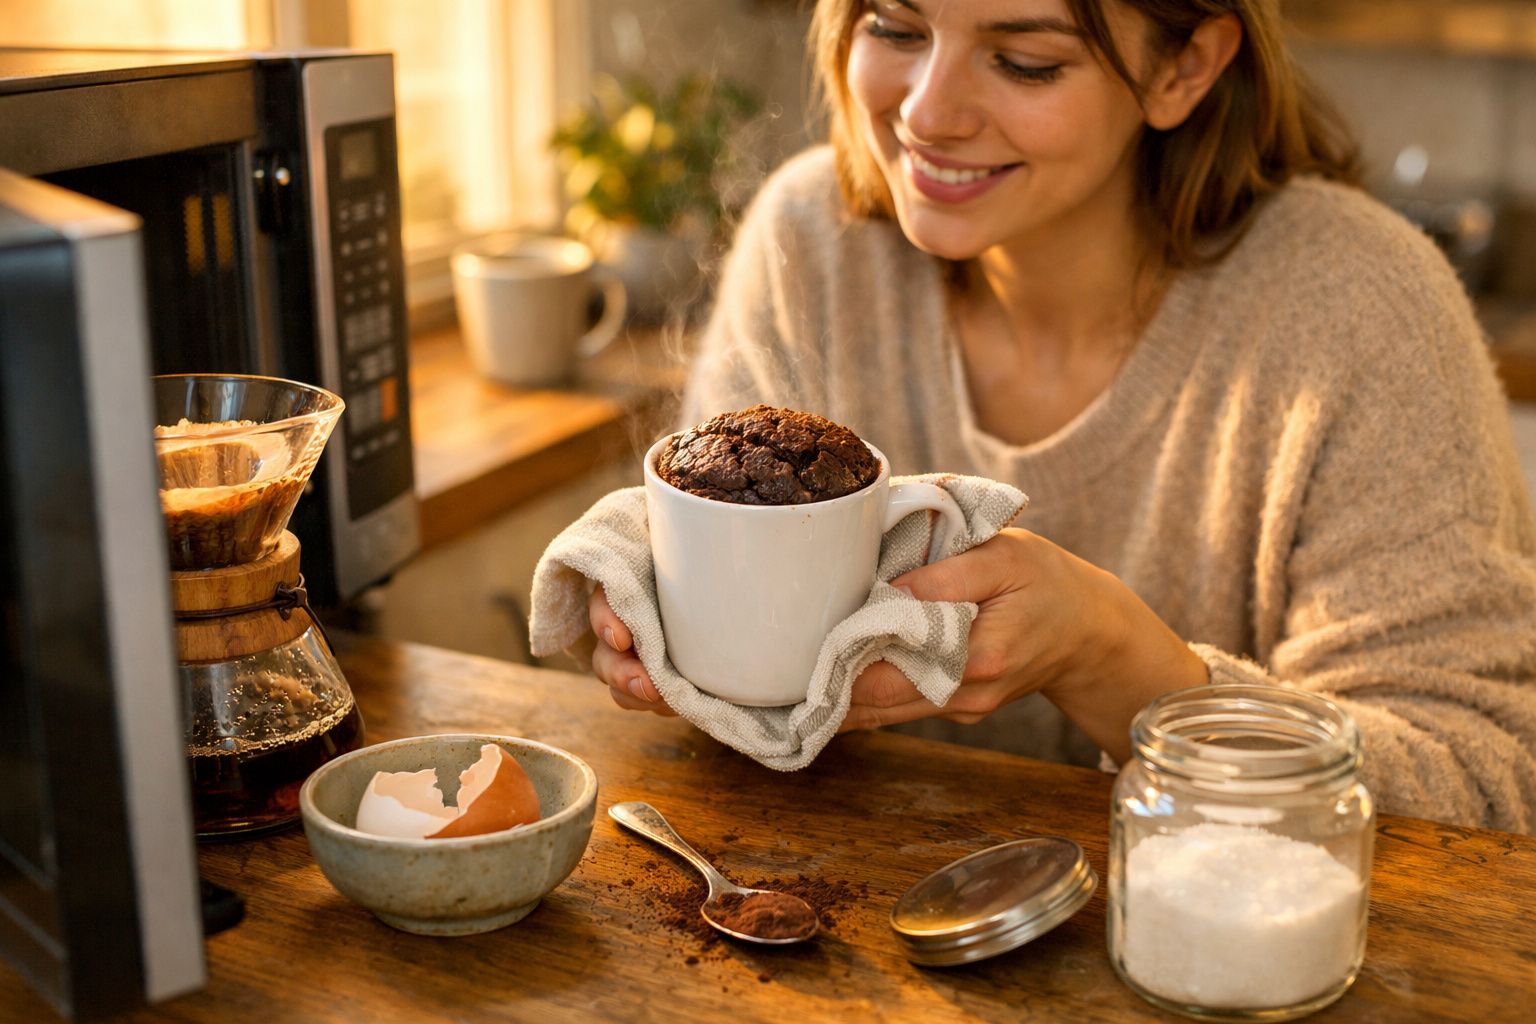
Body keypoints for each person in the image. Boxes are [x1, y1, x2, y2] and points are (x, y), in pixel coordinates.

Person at [583, 0, 1536, 832]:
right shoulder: (810, 242)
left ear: (1184, 68)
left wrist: (1109, 657)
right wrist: (677, 633)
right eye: (896, 27)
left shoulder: (1362, 306)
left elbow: (1479, 784)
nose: (927, 114)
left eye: (1025, 60)